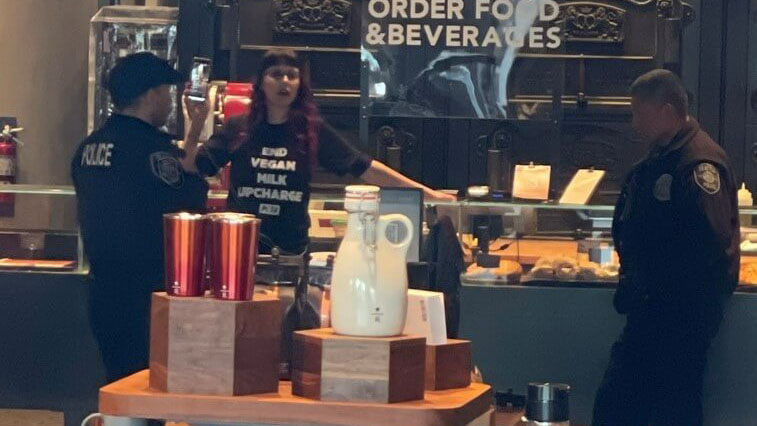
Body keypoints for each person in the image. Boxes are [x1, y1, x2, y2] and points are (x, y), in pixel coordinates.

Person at [185, 48, 455, 254]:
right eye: (276, 75)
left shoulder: (310, 131)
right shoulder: (238, 128)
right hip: (241, 252)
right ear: (261, 83)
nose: (285, 82)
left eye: (292, 76)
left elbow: (365, 168)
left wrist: (429, 195)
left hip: (292, 252)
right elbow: (192, 166)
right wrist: (196, 122)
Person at [592, 69, 740, 426]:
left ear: (666, 109)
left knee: (666, 407)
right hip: (657, 309)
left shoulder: (698, 163)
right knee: (630, 405)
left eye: (638, 112)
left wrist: (657, 281)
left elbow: (711, 241)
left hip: (679, 314)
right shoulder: (667, 156)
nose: (634, 122)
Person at [71, 52, 209, 383]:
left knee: (119, 386)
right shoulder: (153, 151)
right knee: (152, 391)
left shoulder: (89, 148)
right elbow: (190, 205)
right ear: (150, 95)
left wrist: (192, 134)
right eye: (166, 92)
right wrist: (194, 137)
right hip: (148, 299)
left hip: (103, 293)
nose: (170, 102)